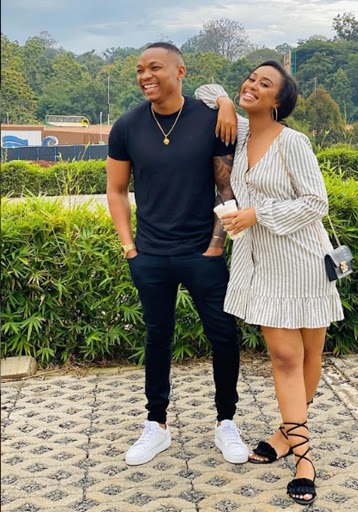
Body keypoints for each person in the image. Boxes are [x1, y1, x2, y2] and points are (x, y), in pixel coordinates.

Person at [195, 62, 345, 506]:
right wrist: (225, 100)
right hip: (262, 264)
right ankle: (305, 457)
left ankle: (287, 438)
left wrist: (257, 213)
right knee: (284, 357)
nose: (253, 86)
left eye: (265, 84)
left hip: (303, 259)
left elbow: (316, 202)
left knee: (309, 355)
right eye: (251, 79)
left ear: (279, 101)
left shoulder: (292, 142)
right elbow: (204, 89)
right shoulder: (240, 133)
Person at [106, 42, 249, 466]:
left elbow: (226, 187)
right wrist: (129, 247)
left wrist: (215, 245)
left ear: (180, 71)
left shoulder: (210, 119)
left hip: (202, 253)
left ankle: (226, 421)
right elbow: (116, 189)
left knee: (223, 335)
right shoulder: (127, 126)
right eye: (139, 69)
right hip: (150, 254)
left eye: (154, 67)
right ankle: (157, 424)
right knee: (157, 336)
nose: (145, 76)